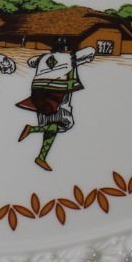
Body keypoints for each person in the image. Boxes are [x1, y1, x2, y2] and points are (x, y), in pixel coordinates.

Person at [16, 38, 95, 171]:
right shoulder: (70, 57)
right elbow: (90, 51)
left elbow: (31, 62)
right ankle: (32, 129)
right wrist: (75, 56)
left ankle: (41, 157)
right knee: (65, 123)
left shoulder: (42, 58)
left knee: (50, 125)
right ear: (66, 48)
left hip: (38, 93)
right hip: (57, 94)